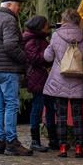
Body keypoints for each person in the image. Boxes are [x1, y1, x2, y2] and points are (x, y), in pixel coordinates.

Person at [0, 0, 30, 155]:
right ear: (10, 5)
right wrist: (25, 59)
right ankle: (11, 142)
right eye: (18, 5)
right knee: (11, 104)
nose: (19, 9)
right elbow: (11, 45)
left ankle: (0, 141)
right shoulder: (9, 20)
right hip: (8, 68)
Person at [43, 8, 83, 158]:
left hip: (59, 80)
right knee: (78, 116)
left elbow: (48, 57)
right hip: (77, 80)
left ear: (63, 20)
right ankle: (79, 147)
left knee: (61, 115)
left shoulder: (56, 35)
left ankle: (63, 147)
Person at [22, 15, 57, 153]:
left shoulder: (39, 39)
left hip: (43, 77)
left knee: (49, 107)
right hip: (37, 77)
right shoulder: (32, 40)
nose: (47, 27)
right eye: (46, 25)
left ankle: (53, 139)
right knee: (37, 107)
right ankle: (35, 141)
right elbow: (35, 58)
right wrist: (47, 56)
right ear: (40, 26)